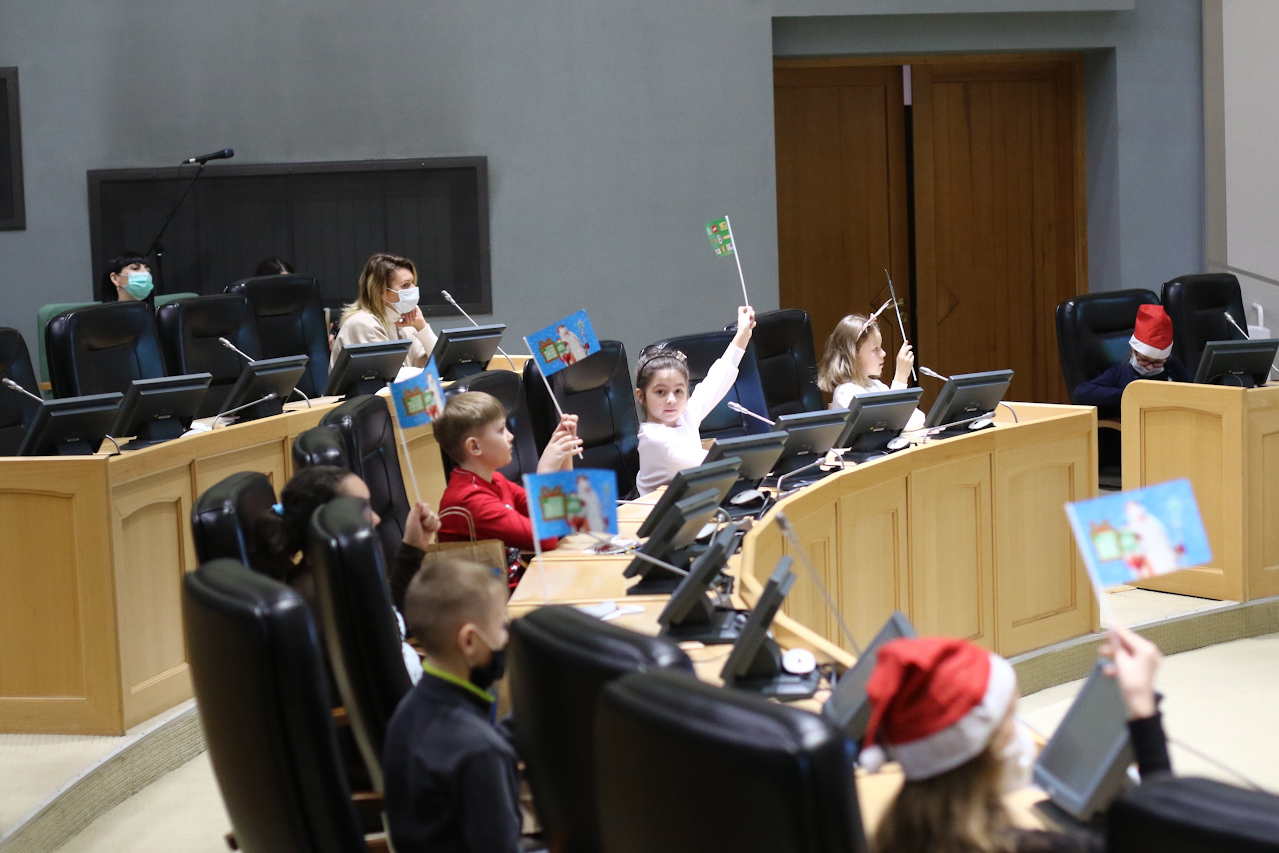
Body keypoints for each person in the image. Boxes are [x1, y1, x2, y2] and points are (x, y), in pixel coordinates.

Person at [864, 628, 1170, 853]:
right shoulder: (1024, 847)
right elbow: (1169, 840)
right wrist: (1144, 713)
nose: (1019, 730)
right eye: (1010, 717)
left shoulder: (891, 834)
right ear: (983, 748)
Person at [383, 558, 519, 853]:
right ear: (469, 641)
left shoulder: (406, 713)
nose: (506, 637)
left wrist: (528, 720)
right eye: (501, 625)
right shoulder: (480, 752)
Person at [252, 464, 441, 676]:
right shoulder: (327, 601)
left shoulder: (331, 577)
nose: (376, 519)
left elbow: (388, 614)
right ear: (327, 521)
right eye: (363, 509)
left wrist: (413, 547)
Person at [434, 391, 583, 552]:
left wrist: (564, 452)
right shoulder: (469, 500)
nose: (510, 436)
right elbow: (545, 540)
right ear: (474, 446)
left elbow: (564, 518)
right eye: (501, 430)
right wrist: (545, 474)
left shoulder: (496, 480)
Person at [634, 306, 755, 495]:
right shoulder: (655, 439)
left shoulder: (683, 415)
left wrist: (742, 335)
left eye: (678, 391)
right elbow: (718, 464)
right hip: (655, 511)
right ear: (641, 396)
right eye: (660, 392)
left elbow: (715, 382)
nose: (671, 400)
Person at [1073, 305, 1191, 418]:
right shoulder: (1120, 372)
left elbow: (1193, 390)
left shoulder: (1172, 365)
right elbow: (1082, 392)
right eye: (1144, 360)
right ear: (1134, 352)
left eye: (1157, 363)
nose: (1150, 367)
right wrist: (1129, 394)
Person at [817, 312, 925, 431]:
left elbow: (919, 419)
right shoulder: (846, 393)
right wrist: (900, 378)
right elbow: (887, 426)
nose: (883, 353)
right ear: (853, 355)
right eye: (875, 349)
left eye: (881, 347)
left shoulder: (877, 386)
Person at [331, 253, 438, 371]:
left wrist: (422, 327)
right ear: (381, 291)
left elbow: (439, 366)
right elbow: (391, 375)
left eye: (412, 282)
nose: (413, 289)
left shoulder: (405, 325)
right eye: (405, 285)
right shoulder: (362, 324)